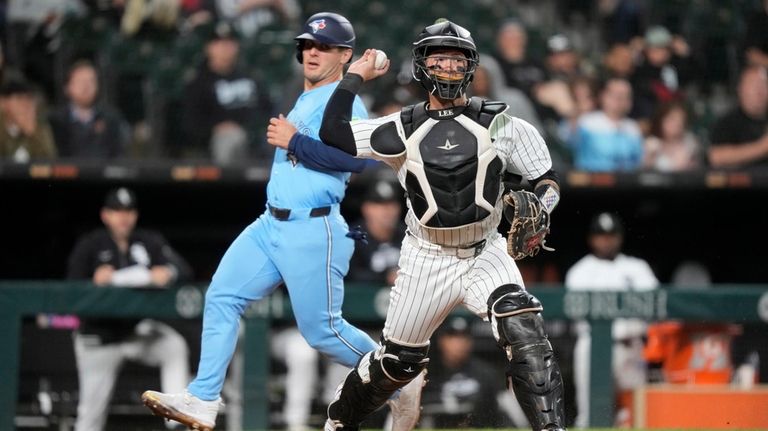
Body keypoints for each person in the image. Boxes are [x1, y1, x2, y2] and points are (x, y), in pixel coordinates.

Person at [141, 13, 423, 431]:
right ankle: (203, 398)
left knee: (324, 332)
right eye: (308, 44)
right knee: (221, 297)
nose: (312, 51)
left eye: (324, 47)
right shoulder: (305, 95)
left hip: (314, 226)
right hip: (269, 224)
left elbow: (357, 161)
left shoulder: (346, 101)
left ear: (344, 55)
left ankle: (401, 381)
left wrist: (296, 141)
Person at [311, 19, 567, 431]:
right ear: (422, 65)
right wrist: (355, 74)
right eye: (439, 57)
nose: (448, 65)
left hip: (486, 249)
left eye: (457, 57)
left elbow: (548, 179)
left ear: (471, 65)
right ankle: (340, 420)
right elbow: (332, 133)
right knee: (397, 363)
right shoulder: (401, 127)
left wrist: (543, 204)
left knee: (525, 328)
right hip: (426, 256)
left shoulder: (501, 123)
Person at [67, 187, 192, 431]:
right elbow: (70, 290)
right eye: (117, 211)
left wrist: (168, 272)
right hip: (99, 337)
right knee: (91, 416)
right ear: (105, 215)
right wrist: (93, 282)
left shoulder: (147, 241)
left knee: (173, 346)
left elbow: (183, 269)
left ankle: (177, 419)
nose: (123, 217)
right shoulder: (91, 244)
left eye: (128, 211)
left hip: (134, 332)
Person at [564, 212, 658, 428]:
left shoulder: (638, 268)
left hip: (631, 346)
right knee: (591, 416)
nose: (606, 240)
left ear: (620, 237)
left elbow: (654, 305)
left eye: (611, 234)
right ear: (592, 238)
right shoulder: (579, 272)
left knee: (637, 416)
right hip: (593, 346)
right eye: (601, 235)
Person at [179, 21, 272, 163]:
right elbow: (191, 124)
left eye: (229, 43)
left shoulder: (250, 77)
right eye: (218, 43)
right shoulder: (198, 83)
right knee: (231, 138)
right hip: (216, 142)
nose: (225, 48)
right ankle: (226, 185)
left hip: (255, 138)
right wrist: (215, 128)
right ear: (208, 48)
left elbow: (267, 110)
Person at [419, 316, 510, 429]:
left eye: (463, 337)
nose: (458, 343)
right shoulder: (427, 371)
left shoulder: (486, 373)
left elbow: (499, 412)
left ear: (470, 341)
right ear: (441, 340)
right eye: (452, 336)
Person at [48, 60, 131, 159]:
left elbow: (119, 156)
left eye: (91, 81)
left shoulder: (111, 119)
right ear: (67, 87)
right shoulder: (55, 121)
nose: (86, 87)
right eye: (80, 81)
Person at [567, 77, 643, 172]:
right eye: (614, 94)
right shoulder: (587, 122)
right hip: (592, 179)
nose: (618, 99)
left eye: (624, 96)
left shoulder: (633, 128)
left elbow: (638, 162)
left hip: (626, 182)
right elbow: (568, 143)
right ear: (603, 96)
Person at [347, 178, 405, 287]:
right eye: (379, 204)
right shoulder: (353, 237)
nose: (387, 211)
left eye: (391, 204)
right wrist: (385, 277)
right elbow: (349, 274)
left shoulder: (408, 235)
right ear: (366, 208)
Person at [707, 65, 768, 168]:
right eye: (753, 85)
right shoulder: (727, 123)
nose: (759, 91)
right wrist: (762, 148)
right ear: (740, 89)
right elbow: (716, 157)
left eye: (763, 85)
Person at [0, 79, 56, 162]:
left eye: (29, 99)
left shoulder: (39, 126)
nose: (25, 104)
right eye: (19, 99)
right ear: (3, 103)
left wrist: (33, 134)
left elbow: (50, 161)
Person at [642, 101, 703, 172]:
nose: (677, 124)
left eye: (680, 120)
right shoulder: (651, 143)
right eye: (672, 119)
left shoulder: (690, 144)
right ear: (661, 120)